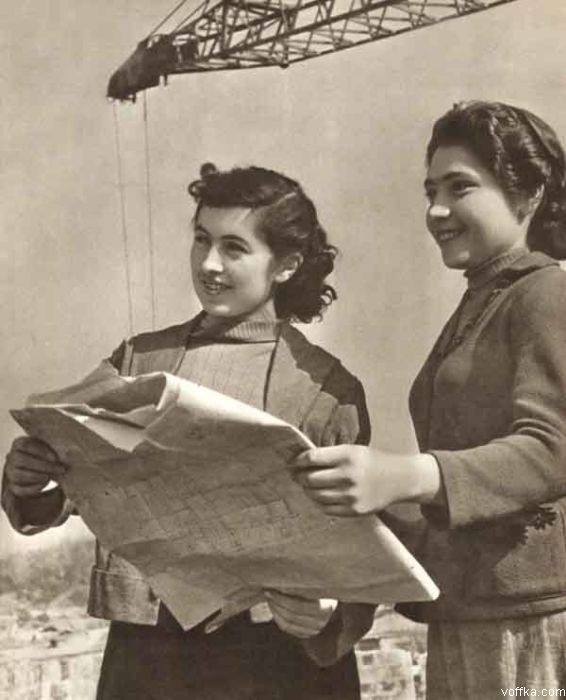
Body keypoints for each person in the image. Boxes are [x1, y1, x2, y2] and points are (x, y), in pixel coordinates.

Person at [2, 163, 374, 699]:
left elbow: (361, 552)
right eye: (201, 239)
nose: (209, 263)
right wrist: (30, 480)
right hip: (150, 655)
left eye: (234, 248)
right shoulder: (138, 360)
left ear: (288, 265)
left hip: (277, 659)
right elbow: (73, 494)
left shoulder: (327, 390)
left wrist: (329, 614)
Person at [291, 101, 566, 696]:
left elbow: (553, 448)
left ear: (530, 193)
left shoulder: (546, 292)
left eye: (459, 187)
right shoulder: (485, 299)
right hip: (473, 612)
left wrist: (405, 476)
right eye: (430, 191)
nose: (436, 210)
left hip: (530, 624)